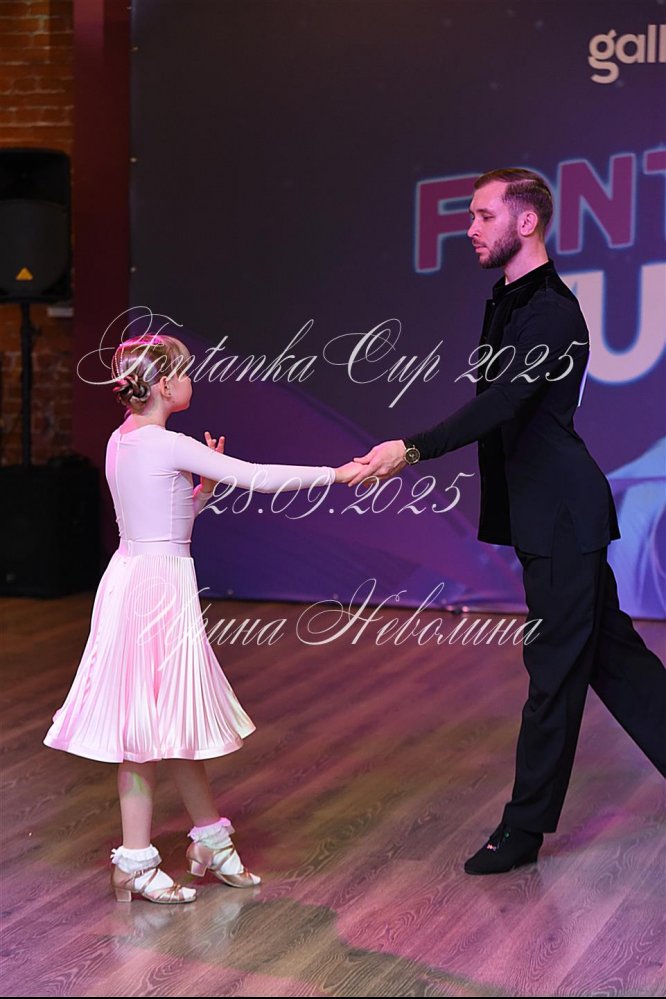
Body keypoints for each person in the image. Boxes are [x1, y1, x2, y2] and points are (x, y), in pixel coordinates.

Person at [348, 167, 666, 875]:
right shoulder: (511, 301)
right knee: (613, 659)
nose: (470, 228)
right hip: (548, 516)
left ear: (527, 222)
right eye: (470, 216)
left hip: (563, 518)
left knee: (553, 671)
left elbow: (503, 405)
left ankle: (522, 830)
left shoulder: (550, 311)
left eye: (483, 216)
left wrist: (411, 448)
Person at [44, 333, 364, 903]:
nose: (193, 380)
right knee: (145, 726)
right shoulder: (170, 443)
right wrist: (336, 474)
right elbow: (258, 476)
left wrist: (202, 491)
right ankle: (135, 862)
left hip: (137, 579)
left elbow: (163, 522)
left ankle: (210, 841)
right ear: (165, 386)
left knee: (172, 719)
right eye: (186, 372)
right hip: (155, 590)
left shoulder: (122, 438)